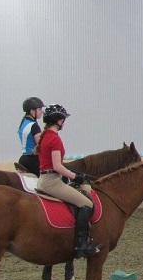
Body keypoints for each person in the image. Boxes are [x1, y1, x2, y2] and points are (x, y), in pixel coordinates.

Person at [35, 104, 100, 258]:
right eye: (63, 119)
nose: (64, 122)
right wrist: (75, 177)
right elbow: (57, 166)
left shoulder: (46, 136)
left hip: (44, 178)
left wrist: (74, 173)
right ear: (58, 120)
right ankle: (81, 244)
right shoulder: (55, 139)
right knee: (87, 204)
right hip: (52, 181)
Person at [18, 97, 45, 176]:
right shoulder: (34, 125)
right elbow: (41, 145)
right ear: (32, 111)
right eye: (39, 109)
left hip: (23, 159)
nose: (42, 112)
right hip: (33, 160)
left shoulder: (23, 123)